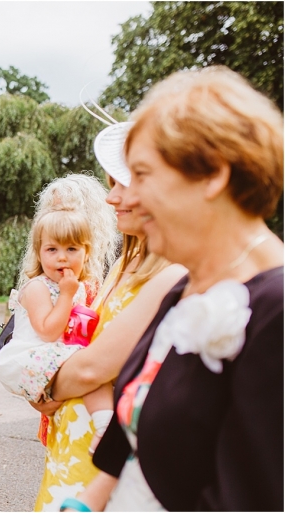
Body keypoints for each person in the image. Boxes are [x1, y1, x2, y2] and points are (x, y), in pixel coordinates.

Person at [65, 67, 283, 511]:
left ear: (212, 175)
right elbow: (133, 433)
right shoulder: (183, 288)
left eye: (141, 175)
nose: (125, 198)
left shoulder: (275, 312)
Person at [31, 124, 186, 511]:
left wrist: (41, 385)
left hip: (104, 452)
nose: (111, 198)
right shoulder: (124, 262)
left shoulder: (172, 271)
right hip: (73, 443)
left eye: (121, 186)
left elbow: (92, 368)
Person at [0, 208, 113, 444]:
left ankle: (103, 423)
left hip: (56, 355)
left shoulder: (78, 287)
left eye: (71, 249)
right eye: (52, 249)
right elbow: (48, 332)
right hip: (31, 356)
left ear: (86, 253)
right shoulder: (38, 287)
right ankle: (103, 424)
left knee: (94, 369)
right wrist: (66, 295)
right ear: (39, 254)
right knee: (91, 365)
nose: (62, 257)